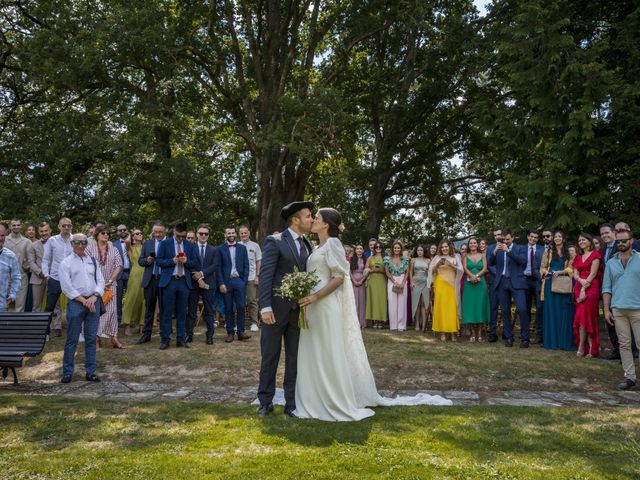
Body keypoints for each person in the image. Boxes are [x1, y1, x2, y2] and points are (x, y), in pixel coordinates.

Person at [295, 208, 451, 421]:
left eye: (317, 218)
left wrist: (315, 296)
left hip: (324, 302)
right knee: (316, 349)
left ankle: (331, 398)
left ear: (326, 225)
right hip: (313, 304)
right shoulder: (317, 246)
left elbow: (339, 277)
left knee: (327, 349)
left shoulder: (333, 244)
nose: (313, 220)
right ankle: (314, 395)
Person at [257, 201, 314, 416]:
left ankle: (291, 403)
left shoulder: (308, 244)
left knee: (294, 358)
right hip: (274, 311)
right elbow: (266, 277)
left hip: (296, 313)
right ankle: (265, 401)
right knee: (270, 356)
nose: (311, 219)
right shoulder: (275, 241)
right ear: (295, 219)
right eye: (308, 216)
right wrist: (264, 307)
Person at [58, 233, 105, 383]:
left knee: (91, 339)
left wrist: (94, 296)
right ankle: (67, 372)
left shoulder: (93, 261)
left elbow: (101, 281)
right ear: (72, 244)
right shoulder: (66, 263)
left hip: (93, 302)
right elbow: (67, 287)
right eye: (77, 242)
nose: (80, 245)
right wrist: (84, 301)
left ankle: (90, 372)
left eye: (83, 242)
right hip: (76, 304)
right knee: (72, 339)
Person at [603, 228, 640, 390]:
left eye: (624, 240)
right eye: (618, 241)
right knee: (624, 345)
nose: (621, 243)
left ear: (631, 241)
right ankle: (630, 377)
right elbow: (606, 288)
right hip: (618, 309)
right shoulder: (611, 263)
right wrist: (606, 309)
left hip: (637, 308)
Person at [157, 220, 198, 349]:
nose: (181, 238)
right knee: (167, 312)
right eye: (179, 235)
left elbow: (194, 263)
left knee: (182, 312)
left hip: (184, 282)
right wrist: (172, 261)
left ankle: (181, 339)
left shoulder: (190, 245)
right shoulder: (165, 244)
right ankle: (165, 339)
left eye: (183, 236)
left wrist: (186, 261)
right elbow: (159, 261)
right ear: (174, 231)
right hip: (170, 282)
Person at [86, 225, 124, 349]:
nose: (106, 235)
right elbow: (85, 266)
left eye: (108, 233)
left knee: (112, 312)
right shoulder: (89, 248)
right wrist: (98, 282)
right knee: (96, 312)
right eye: (103, 233)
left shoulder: (114, 249)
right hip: (94, 286)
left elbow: (119, 265)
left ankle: (114, 338)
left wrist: (110, 280)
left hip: (110, 286)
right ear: (97, 235)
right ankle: (96, 339)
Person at [540, 231, 575, 351]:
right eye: (555, 237)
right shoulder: (548, 252)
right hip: (550, 284)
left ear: (564, 238)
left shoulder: (569, 252)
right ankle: (552, 342)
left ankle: (564, 341)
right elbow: (542, 267)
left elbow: (572, 268)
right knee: (551, 312)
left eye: (560, 236)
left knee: (564, 312)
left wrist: (560, 272)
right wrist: (545, 273)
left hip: (564, 284)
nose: (557, 238)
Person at [217, 227, 251, 343]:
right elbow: (219, 268)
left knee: (241, 306)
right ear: (225, 235)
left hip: (239, 281)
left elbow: (247, 266)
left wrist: (244, 281)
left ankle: (241, 332)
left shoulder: (242, 248)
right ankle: (230, 332)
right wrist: (221, 283)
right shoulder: (220, 249)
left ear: (235, 234)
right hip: (226, 282)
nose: (231, 234)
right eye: (228, 233)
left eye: (232, 232)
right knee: (228, 307)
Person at [43, 217, 74, 335]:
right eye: (64, 225)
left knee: (75, 305)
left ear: (71, 226)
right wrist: (47, 275)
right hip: (55, 278)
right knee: (49, 306)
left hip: (72, 278)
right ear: (59, 226)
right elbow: (45, 259)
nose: (66, 228)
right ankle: (45, 332)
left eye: (69, 225)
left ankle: (76, 331)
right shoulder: (52, 240)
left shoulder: (75, 240)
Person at [136, 221, 166, 344]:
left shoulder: (169, 244)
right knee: (149, 309)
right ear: (153, 232)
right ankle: (146, 334)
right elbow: (140, 261)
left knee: (164, 309)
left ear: (164, 232)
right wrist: (147, 260)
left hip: (164, 279)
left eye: (160, 232)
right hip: (150, 279)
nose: (158, 234)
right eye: (156, 232)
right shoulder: (147, 244)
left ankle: (164, 334)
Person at [572, 233, 602, 357]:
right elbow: (575, 273)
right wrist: (580, 282)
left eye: (583, 239)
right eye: (579, 240)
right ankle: (581, 346)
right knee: (580, 318)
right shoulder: (578, 257)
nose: (581, 242)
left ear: (589, 241)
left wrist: (585, 286)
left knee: (589, 317)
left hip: (591, 287)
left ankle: (592, 348)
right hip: (580, 286)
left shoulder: (595, 255)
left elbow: (594, 273)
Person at [187, 224, 217, 344]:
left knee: (209, 311)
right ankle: (189, 334)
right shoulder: (190, 248)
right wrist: (198, 279)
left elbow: (215, 265)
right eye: (201, 233)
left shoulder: (213, 250)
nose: (203, 236)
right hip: (193, 284)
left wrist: (202, 274)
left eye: (206, 234)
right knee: (191, 311)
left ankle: (210, 336)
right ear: (197, 234)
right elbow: (188, 264)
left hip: (208, 283)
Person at [428, 239, 463, 342]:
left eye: (446, 246)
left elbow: (461, 271)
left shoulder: (456, 257)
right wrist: (437, 265)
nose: (444, 248)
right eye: (442, 247)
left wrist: (452, 265)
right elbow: (431, 271)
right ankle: (442, 332)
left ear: (450, 247)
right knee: (441, 307)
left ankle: (453, 332)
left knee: (452, 308)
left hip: (452, 285)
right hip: (440, 285)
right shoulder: (437, 257)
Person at [461, 238, 489, 342]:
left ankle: (480, 333)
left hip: (481, 283)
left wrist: (476, 276)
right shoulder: (465, 255)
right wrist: (471, 276)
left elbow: (485, 268)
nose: (473, 244)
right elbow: (464, 268)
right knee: (471, 309)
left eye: (474, 243)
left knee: (480, 307)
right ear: (469, 245)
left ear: (477, 244)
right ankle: (472, 333)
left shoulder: (483, 255)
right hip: (469, 284)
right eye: (471, 243)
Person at [121, 229, 146, 336]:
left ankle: (141, 325)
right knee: (131, 299)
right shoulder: (130, 248)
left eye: (140, 233)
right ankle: (127, 325)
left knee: (143, 300)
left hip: (145, 274)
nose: (139, 235)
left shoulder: (146, 247)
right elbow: (126, 242)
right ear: (132, 237)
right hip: (134, 276)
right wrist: (129, 236)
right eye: (137, 234)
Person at [523, 230, 545, 344]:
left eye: (536, 237)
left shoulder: (542, 250)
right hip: (524, 281)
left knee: (540, 308)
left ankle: (538, 335)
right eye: (531, 236)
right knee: (525, 308)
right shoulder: (521, 249)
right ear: (528, 237)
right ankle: (525, 334)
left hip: (538, 281)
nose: (533, 239)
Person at [4, 218, 31, 311]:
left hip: (21, 277)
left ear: (21, 226)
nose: (16, 227)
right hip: (4, 277)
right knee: (3, 305)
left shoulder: (27, 242)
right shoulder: (4, 240)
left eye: (18, 225)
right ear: (10, 226)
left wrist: (26, 266)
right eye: (14, 225)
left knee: (20, 306)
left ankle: (19, 326)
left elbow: (31, 260)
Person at [239, 225, 262, 333]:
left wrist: (257, 276)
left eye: (245, 232)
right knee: (239, 301)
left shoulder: (255, 246)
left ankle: (254, 323)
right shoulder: (236, 245)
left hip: (251, 277)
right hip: (238, 278)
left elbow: (258, 261)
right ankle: (239, 323)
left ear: (249, 233)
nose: (243, 234)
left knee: (252, 300)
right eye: (242, 233)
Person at [384, 240, 410, 332]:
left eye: (398, 248)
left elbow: (407, 272)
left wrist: (403, 282)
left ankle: (401, 325)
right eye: (395, 248)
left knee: (402, 303)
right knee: (392, 303)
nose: (396, 249)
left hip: (402, 280)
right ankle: (393, 325)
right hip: (392, 280)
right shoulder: (387, 259)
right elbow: (387, 272)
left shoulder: (405, 259)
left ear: (401, 249)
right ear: (392, 249)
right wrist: (394, 281)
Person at [27, 222, 52, 313]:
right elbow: (31, 262)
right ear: (39, 232)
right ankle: (35, 326)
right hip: (38, 278)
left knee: (55, 305)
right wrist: (40, 272)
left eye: (46, 230)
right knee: (36, 305)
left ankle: (56, 326)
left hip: (53, 278)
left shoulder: (56, 243)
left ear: (50, 230)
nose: (44, 233)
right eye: (41, 231)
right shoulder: (33, 245)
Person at [485, 227, 503, 342]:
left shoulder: (508, 246)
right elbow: (489, 264)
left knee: (506, 308)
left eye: (499, 234)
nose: (497, 237)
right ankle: (492, 332)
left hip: (507, 281)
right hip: (494, 281)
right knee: (493, 307)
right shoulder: (490, 248)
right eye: (495, 235)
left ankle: (507, 332)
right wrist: (499, 274)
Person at [365, 242, 387, 328]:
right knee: (373, 300)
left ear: (382, 248)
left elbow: (388, 271)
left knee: (381, 300)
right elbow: (366, 269)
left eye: (380, 247)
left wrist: (381, 270)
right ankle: (375, 321)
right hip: (372, 280)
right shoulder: (370, 258)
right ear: (374, 249)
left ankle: (381, 321)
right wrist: (372, 270)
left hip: (382, 280)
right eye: (376, 247)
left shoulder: (385, 258)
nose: (378, 248)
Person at [113, 224, 131, 326]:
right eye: (120, 230)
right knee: (118, 298)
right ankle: (119, 319)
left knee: (130, 297)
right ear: (117, 232)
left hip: (130, 273)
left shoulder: (133, 243)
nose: (122, 231)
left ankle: (129, 319)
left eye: (124, 229)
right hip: (119, 273)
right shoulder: (113, 245)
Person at [0, 223, 21, 312]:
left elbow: (16, 277)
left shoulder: (11, 256)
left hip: (1, 306)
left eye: (2, 235)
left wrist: (12, 295)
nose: (0, 238)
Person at [409, 245, 430, 332]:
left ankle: (424, 325)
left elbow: (432, 273)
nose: (420, 252)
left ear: (424, 251)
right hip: (416, 282)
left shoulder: (428, 260)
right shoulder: (413, 260)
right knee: (417, 303)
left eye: (421, 250)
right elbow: (410, 272)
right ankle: (417, 323)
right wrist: (411, 282)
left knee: (424, 303)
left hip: (425, 282)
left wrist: (428, 271)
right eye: (418, 250)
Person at [349, 244, 367, 328]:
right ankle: (354, 322)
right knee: (354, 301)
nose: (359, 250)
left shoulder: (365, 260)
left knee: (362, 302)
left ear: (363, 250)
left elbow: (367, 272)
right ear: (355, 250)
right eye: (357, 249)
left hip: (362, 282)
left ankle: (362, 322)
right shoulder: (351, 259)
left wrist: (361, 281)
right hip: (353, 282)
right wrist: (354, 281)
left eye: (361, 249)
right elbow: (349, 272)